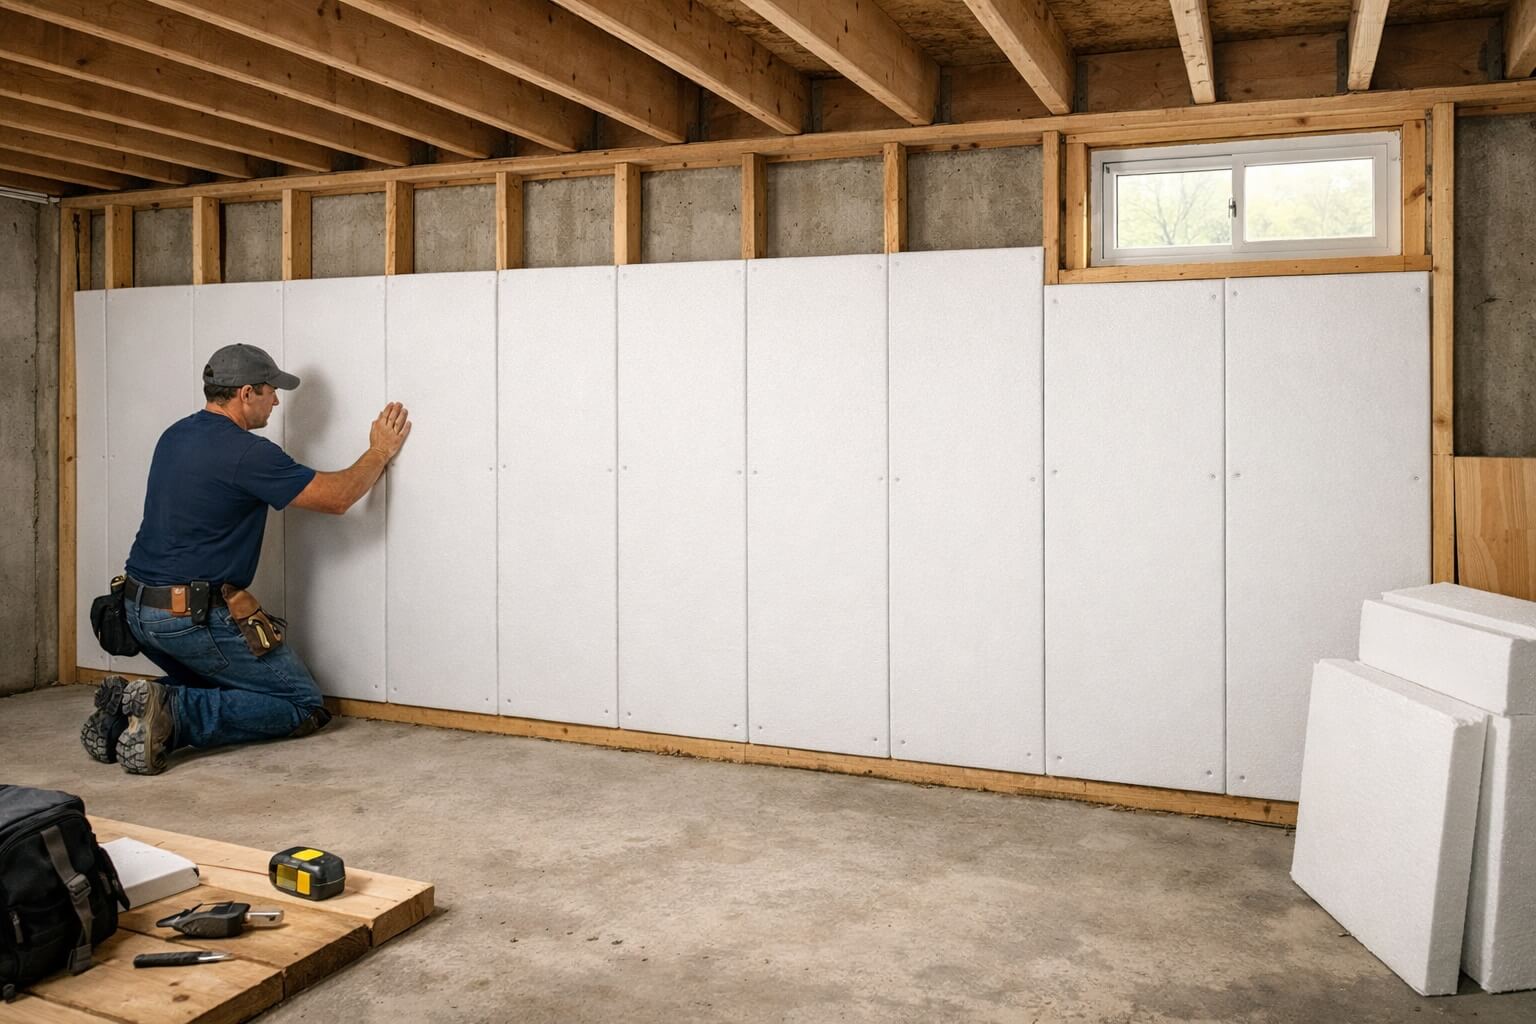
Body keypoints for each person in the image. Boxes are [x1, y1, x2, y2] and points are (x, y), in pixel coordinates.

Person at [80, 343, 411, 775]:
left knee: (217, 681)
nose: (276, 400)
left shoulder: (175, 434)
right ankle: (175, 713)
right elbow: (338, 497)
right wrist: (380, 451)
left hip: (136, 613)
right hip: (187, 620)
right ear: (246, 393)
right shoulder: (247, 453)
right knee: (300, 703)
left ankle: (123, 715)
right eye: (271, 389)